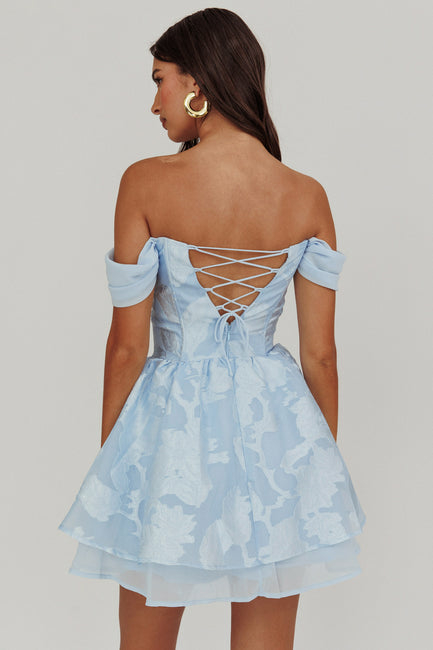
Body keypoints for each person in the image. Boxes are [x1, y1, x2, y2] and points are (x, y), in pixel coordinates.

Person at [58, 8, 366, 650]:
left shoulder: (145, 182)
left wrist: (115, 460)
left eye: (159, 80)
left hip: (167, 426)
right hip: (277, 429)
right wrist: (314, 466)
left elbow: (127, 346)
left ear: (197, 81)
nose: (154, 102)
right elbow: (321, 356)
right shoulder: (306, 195)